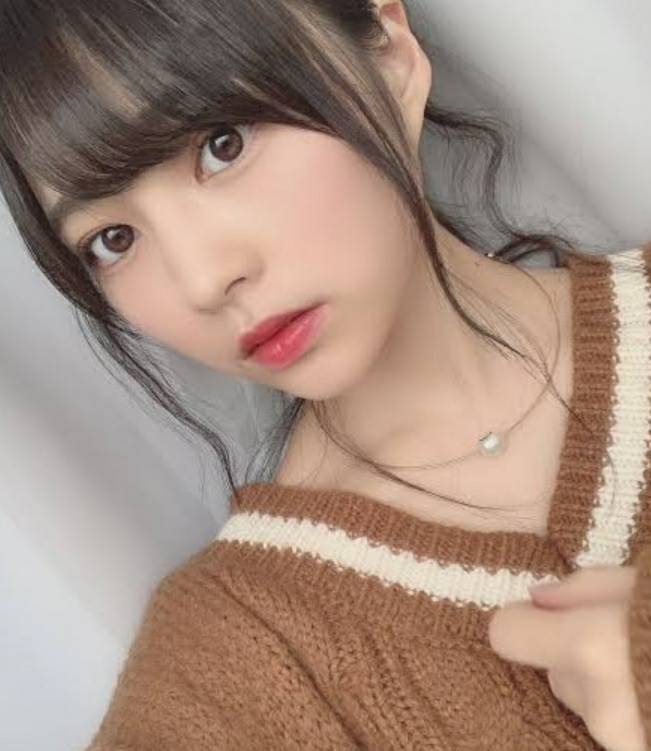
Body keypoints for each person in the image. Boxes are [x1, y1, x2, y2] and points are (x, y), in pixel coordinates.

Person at [1, 0, 650, 748]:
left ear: (389, 54)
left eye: (221, 145)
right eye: (112, 239)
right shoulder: (224, 671)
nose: (203, 279)